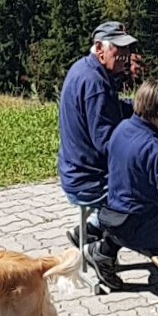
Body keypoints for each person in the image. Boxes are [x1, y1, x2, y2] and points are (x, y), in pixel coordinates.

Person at [57, 21, 136, 208]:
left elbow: (111, 108)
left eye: (127, 48)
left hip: (73, 171)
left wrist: (144, 107)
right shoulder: (96, 84)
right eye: (119, 48)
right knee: (155, 190)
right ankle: (102, 223)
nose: (125, 54)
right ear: (99, 48)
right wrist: (153, 139)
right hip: (90, 182)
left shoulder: (84, 68)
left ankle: (98, 223)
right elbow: (108, 144)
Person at [103, 79, 158, 260]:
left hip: (114, 213)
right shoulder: (154, 148)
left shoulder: (122, 128)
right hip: (140, 226)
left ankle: (105, 249)